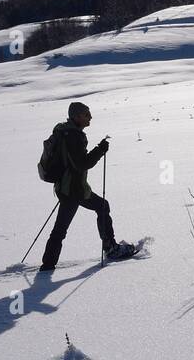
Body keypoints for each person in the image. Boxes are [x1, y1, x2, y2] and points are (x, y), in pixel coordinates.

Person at [40, 101, 137, 271]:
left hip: (66, 187)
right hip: (73, 190)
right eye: (86, 114)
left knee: (99, 208)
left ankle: (48, 264)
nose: (90, 117)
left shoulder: (64, 131)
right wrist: (100, 150)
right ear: (77, 116)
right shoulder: (74, 136)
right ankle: (110, 249)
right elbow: (82, 164)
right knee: (62, 228)